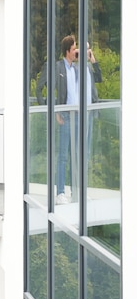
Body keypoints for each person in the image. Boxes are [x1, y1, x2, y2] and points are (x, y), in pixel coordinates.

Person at [35, 35, 102, 204]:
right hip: (65, 116)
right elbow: (40, 88)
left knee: (78, 156)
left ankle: (77, 191)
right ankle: (60, 192)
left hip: (81, 117)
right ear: (67, 51)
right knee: (63, 155)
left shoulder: (78, 68)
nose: (78, 52)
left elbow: (96, 80)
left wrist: (91, 59)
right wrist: (52, 111)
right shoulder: (57, 67)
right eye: (75, 49)